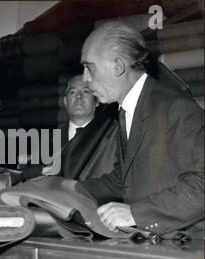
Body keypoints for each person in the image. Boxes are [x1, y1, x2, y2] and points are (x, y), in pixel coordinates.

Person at [79, 21, 204, 236]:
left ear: (118, 67)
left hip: (187, 247)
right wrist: (68, 190)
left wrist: (136, 213)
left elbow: (201, 185)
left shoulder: (176, 108)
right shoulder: (127, 110)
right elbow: (124, 180)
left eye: (89, 67)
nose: (85, 79)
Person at [23, 74, 118, 181]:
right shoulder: (47, 141)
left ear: (96, 101)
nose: (78, 97)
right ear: (65, 102)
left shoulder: (111, 137)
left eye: (85, 91)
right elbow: (30, 175)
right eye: (72, 92)